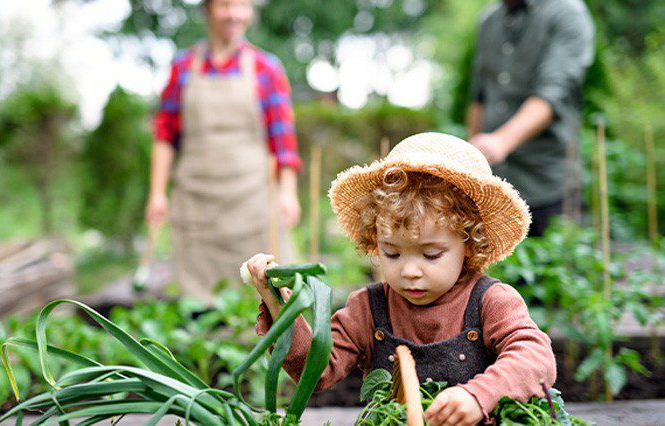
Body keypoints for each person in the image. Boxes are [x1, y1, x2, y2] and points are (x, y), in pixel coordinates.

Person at [246, 133, 556, 425]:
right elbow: (316, 371)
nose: (409, 271)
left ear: (470, 245)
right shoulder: (369, 308)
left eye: (431, 255)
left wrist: (479, 395)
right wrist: (280, 305)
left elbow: (535, 357)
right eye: (392, 254)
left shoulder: (491, 301)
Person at [147, 0, 302, 302]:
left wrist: (287, 193)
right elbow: (165, 134)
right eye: (226, 5)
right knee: (197, 301)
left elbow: (282, 140)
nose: (235, 13)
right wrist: (156, 193)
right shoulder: (182, 68)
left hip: (251, 202)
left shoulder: (265, 68)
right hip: (195, 202)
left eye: (243, 5)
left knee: (262, 296)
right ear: (207, 9)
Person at [467, 0, 594, 236]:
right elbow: (479, 96)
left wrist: (501, 142)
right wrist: (473, 163)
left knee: (556, 267)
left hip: (548, 181)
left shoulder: (567, 13)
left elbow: (551, 95)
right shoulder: (488, 21)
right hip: (497, 186)